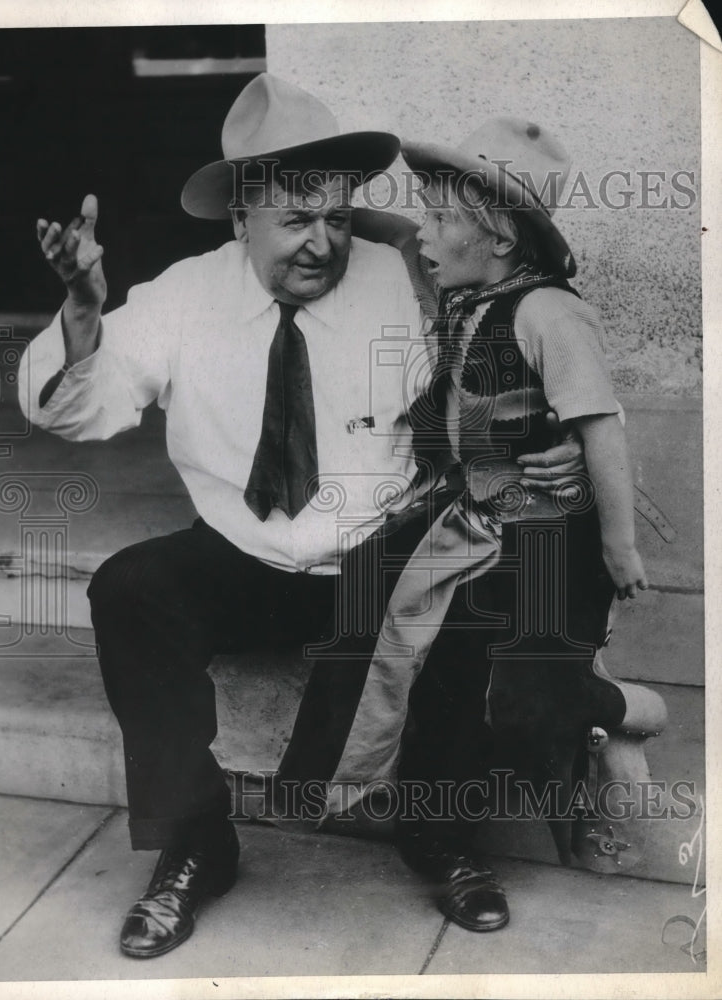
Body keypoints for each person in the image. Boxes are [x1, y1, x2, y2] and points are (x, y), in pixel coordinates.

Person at [19, 75, 583, 959]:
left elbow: (509, 379)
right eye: (294, 221)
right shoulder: (182, 296)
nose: (322, 243)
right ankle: (196, 846)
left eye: (337, 217)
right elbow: (77, 412)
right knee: (129, 589)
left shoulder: (408, 279)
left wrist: (556, 446)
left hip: (381, 561)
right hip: (244, 556)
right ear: (240, 215)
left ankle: (437, 832)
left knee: (480, 604)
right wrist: (84, 311)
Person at [276, 118, 648, 934]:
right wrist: (327, 197)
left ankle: (600, 717)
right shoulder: (467, 290)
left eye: (441, 223)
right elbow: (394, 230)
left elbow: (602, 431)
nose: (422, 238)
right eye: (427, 219)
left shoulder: (549, 312)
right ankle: (356, 795)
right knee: (375, 600)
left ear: (503, 240)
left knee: (491, 673)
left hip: (544, 546)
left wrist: (620, 545)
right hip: (465, 522)